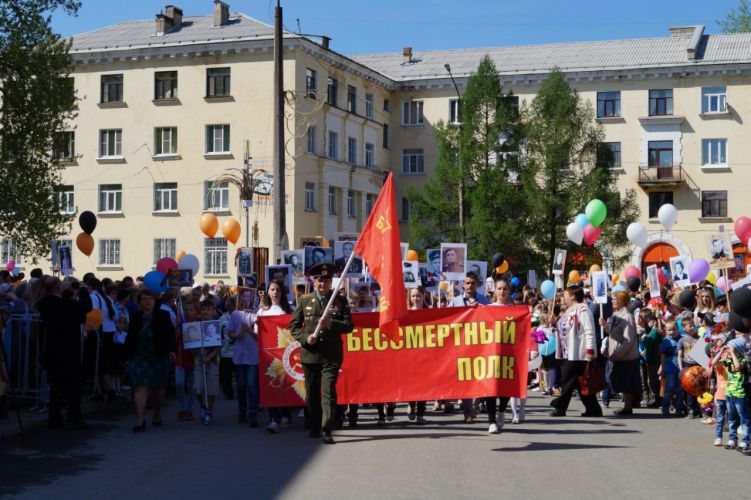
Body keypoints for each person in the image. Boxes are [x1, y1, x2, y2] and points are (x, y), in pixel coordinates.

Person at [289, 263, 354, 444]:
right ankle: (315, 424)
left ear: (331, 281)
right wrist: (304, 338)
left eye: (325, 279)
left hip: (331, 355)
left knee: (328, 392)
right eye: (318, 279)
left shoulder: (340, 301)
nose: (321, 283)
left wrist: (331, 323)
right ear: (314, 281)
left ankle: (327, 428)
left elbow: (349, 326)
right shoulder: (304, 300)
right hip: (310, 354)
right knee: (312, 393)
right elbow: (293, 326)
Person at [37, 277, 92, 429]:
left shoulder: (42, 303)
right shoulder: (67, 304)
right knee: (74, 385)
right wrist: (81, 289)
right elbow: (86, 307)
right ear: (59, 288)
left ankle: (54, 418)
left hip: (52, 348)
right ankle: (74, 416)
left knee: (55, 386)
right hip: (69, 349)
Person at [124, 289, 177, 432]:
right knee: (140, 386)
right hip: (139, 356)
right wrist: (126, 357)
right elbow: (130, 337)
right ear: (139, 302)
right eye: (143, 299)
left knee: (158, 388)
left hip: (158, 356)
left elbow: (170, 335)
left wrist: (172, 350)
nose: (146, 302)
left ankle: (157, 412)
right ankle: (140, 419)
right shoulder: (135, 317)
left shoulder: (163, 315)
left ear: (155, 301)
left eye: (149, 299)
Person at [550, 285, 602, 417]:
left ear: (573, 295)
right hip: (568, 352)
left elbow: (589, 330)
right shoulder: (569, 310)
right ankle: (593, 409)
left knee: (567, 380)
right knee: (580, 383)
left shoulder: (583, 309)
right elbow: (566, 329)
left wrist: (590, 349)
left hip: (579, 353)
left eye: (566, 294)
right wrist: (555, 323)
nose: (564, 297)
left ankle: (560, 406)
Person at [449, 272, 490, 423]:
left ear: (477, 284)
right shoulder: (455, 302)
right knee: (465, 380)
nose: (470, 286)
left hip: (480, 346)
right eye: (467, 283)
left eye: (472, 283)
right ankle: (467, 412)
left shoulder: (485, 301)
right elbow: (447, 322)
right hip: (461, 347)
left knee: (479, 378)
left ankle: (475, 405)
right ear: (463, 285)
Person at [256, 279, 294, 433]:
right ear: (268, 292)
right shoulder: (262, 312)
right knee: (272, 386)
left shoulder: (290, 310)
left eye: (278, 289)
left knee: (286, 386)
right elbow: (257, 333)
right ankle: (274, 420)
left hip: (287, 354)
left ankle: (285, 412)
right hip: (269, 356)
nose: (275, 292)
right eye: (272, 289)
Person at [600, 290, 641, 416]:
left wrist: (618, 353)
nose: (612, 301)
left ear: (623, 301)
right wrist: (605, 326)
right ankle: (627, 406)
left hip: (626, 356)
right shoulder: (615, 315)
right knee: (618, 380)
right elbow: (614, 333)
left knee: (626, 382)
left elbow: (628, 339)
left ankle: (628, 407)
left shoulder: (627, 316)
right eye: (612, 299)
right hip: (616, 355)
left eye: (615, 299)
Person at [486, 278, 514, 433]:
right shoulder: (488, 308)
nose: (502, 292)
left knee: (506, 387)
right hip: (490, 353)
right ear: (495, 291)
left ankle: (501, 410)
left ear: (508, 291)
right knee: (491, 388)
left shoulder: (514, 309)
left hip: (508, 354)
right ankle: (491, 422)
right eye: (499, 289)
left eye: (505, 289)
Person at [229, 286, 259, 427]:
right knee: (241, 385)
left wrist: (250, 331)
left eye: (249, 296)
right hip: (239, 355)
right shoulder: (235, 314)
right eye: (244, 296)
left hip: (253, 356)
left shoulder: (256, 314)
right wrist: (236, 335)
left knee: (252, 384)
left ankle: (253, 412)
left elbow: (261, 337)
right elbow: (229, 333)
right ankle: (242, 411)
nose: (246, 299)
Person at [193, 299, 221, 425]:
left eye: (208, 309)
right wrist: (198, 352)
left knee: (211, 388)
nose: (206, 312)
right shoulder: (196, 325)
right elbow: (192, 343)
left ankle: (209, 411)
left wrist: (209, 357)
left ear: (213, 311)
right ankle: (203, 406)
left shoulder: (216, 324)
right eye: (204, 309)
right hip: (199, 361)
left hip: (213, 361)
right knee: (197, 388)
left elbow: (219, 345)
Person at [722, 338, 749, 453]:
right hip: (729, 394)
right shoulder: (729, 361)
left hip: (740, 394)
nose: (728, 351)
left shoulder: (743, 360)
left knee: (744, 419)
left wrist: (732, 352)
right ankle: (732, 439)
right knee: (732, 418)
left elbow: (737, 367)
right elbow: (714, 363)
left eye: (731, 349)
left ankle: (746, 440)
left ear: (738, 350)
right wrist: (721, 350)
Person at [406, 287, 428, 426]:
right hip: (410, 355)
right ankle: (411, 405)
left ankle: (420, 414)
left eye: (418, 296)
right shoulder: (406, 313)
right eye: (413, 296)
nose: (416, 299)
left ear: (423, 296)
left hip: (426, 354)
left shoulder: (430, 312)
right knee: (412, 384)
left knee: (424, 386)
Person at [677, 317, 701, 418]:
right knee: (689, 388)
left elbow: (703, 353)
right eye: (690, 326)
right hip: (687, 365)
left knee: (699, 387)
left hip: (697, 365)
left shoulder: (698, 338)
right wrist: (681, 368)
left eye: (693, 325)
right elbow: (680, 355)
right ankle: (690, 409)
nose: (692, 327)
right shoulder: (682, 340)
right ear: (684, 328)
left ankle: (700, 409)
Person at [659, 320, 683, 417]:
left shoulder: (682, 339)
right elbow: (662, 356)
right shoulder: (665, 341)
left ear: (678, 329)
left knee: (679, 390)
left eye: (674, 329)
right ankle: (665, 408)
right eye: (669, 330)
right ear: (666, 331)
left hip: (681, 368)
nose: (672, 332)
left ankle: (679, 409)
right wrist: (663, 368)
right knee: (668, 390)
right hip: (669, 368)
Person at [219, 297, 236, 400]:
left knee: (238, 374)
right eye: (226, 302)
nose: (226, 304)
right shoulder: (222, 318)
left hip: (237, 351)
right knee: (226, 374)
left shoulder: (239, 316)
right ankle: (228, 392)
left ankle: (240, 391)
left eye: (228, 302)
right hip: (225, 350)